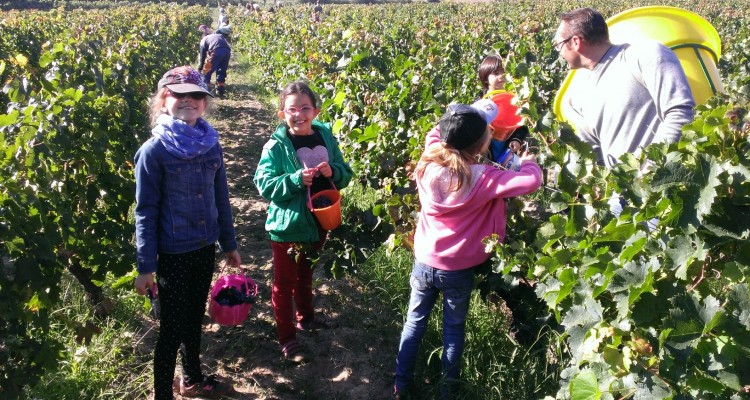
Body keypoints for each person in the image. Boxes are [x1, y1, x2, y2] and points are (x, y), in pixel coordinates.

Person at [393, 100, 543, 399]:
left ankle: (401, 384)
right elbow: (532, 180)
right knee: (453, 331)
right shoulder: (482, 177)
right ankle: (449, 390)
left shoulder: (427, 162)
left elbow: (436, 134)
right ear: (483, 144)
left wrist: (459, 116)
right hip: (458, 269)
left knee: (414, 322)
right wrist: (527, 159)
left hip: (424, 261)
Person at [133, 66, 242, 399]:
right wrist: (145, 265)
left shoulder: (211, 145)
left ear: (205, 103)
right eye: (178, 94)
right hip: (172, 253)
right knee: (171, 329)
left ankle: (192, 379)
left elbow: (220, 196)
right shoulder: (154, 152)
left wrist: (229, 243)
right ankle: (164, 393)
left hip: (203, 246)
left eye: (196, 95)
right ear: (164, 99)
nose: (188, 101)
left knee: (194, 317)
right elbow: (145, 211)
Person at [253, 82, 353, 364]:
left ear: (316, 111)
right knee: (283, 284)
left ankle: (305, 319)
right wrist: (296, 180)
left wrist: (334, 170)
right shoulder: (276, 145)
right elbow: (264, 185)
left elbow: (345, 172)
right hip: (288, 225)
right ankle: (287, 339)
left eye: (305, 108)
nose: (299, 114)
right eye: (292, 109)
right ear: (281, 114)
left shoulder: (324, 136)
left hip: (319, 220)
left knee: (306, 273)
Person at [553, 7, 695, 168]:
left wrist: (649, 172)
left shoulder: (645, 55)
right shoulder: (576, 95)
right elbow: (593, 154)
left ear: (575, 42)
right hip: (621, 192)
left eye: (559, 46)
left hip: (664, 185)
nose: (560, 53)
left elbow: (680, 113)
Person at [198, 25, 232, 98]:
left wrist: (200, 68)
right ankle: (220, 90)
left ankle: (206, 91)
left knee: (206, 71)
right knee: (221, 70)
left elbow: (202, 56)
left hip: (216, 50)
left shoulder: (203, 40)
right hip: (227, 51)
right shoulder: (215, 36)